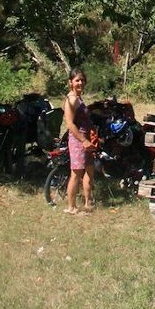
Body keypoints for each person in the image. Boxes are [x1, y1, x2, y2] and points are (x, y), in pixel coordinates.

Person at [61, 67, 96, 214]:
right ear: (71, 82)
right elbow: (70, 124)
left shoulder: (79, 98)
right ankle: (71, 207)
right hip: (78, 141)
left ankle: (88, 203)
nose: (80, 83)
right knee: (76, 174)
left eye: (82, 80)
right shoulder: (71, 99)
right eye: (77, 80)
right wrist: (83, 140)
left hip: (87, 139)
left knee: (89, 170)